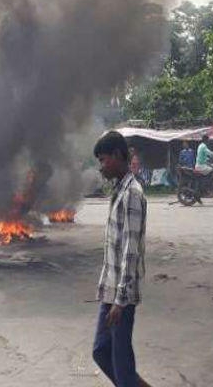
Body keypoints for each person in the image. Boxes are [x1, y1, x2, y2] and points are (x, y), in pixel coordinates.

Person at [92, 131, 151, 387]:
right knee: (100, 351)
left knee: (122, 363)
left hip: (121, 295)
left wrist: (121, 300)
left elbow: (130, 249)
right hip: (111, 289)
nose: (101, 167)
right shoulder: (119, 189)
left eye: (103, 160)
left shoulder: (132, 194)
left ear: (117, 155)